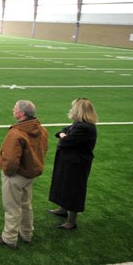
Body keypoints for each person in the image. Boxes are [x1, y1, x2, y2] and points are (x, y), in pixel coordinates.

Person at [0, 100, 48, 249]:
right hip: (30, 174)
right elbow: (43, 151)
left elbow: (10, 159)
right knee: (26, 205)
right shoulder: (42, 130)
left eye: (15, 108)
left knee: (12, 207)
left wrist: (8, 172)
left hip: (16, 175)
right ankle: (27, 233)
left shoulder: (16, 133)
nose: (12, 109)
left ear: (22, 113)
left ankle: (9, 238)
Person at [48, 98, 98, 230]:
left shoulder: (85, 127)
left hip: (77, 164)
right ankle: (63, 210)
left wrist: (64, 136)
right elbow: (61, 132)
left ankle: (72, 221)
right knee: (64, 185)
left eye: (73, 108)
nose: (71, 110)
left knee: (73, 190)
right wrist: (64, 135)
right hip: (70, 162)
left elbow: (65, 141)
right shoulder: (79, 124)